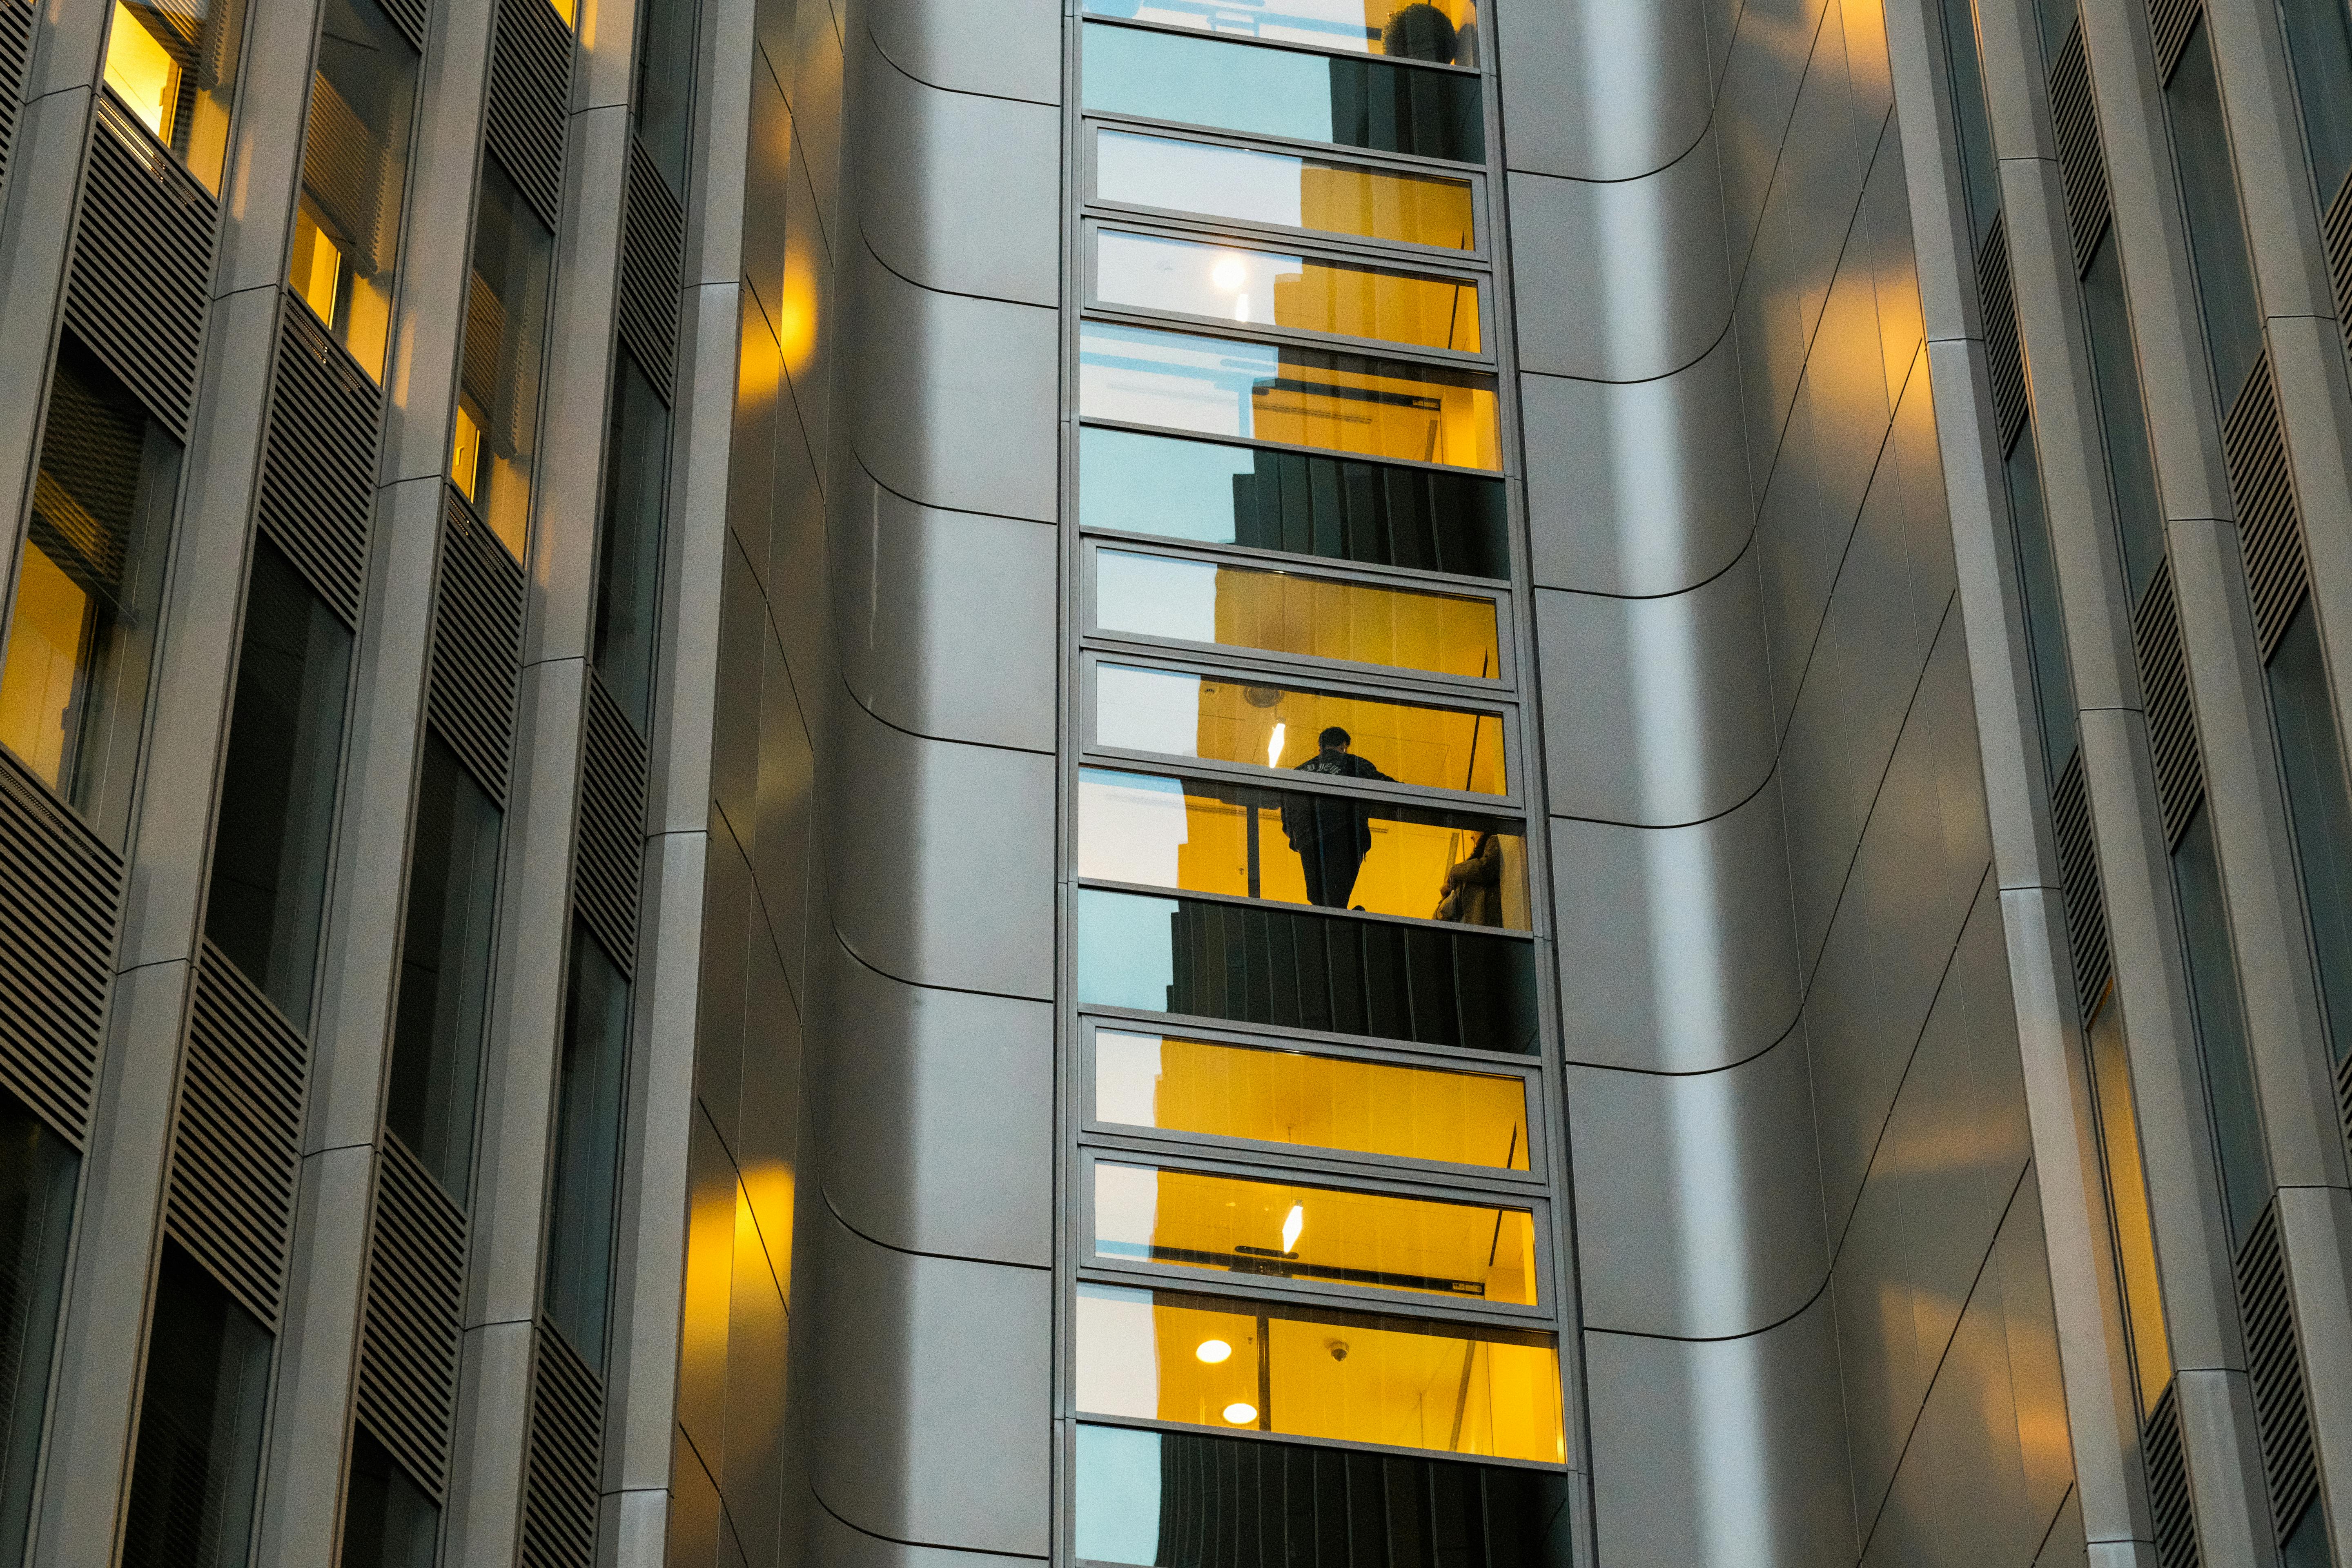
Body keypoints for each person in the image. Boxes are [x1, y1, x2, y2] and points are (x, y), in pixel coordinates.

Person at [1280, 726, 1392, 908]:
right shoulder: (1353, 764)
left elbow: (1287, 813)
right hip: (1345, 836)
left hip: (1309, 841)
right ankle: (1341, 924)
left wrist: (1297, 836)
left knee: (1318, 897)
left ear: (1320, 747)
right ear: (1344, 746)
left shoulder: (1299, 772)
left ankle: (1329, 922)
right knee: (1339, 894)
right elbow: (1386, 786)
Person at [1436, 831, 1503, 926]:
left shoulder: (1493, 840)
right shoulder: (1468, 879)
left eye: (1475, 832)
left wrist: (1453, 871)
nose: (1472, 837)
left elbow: (1485, 868)